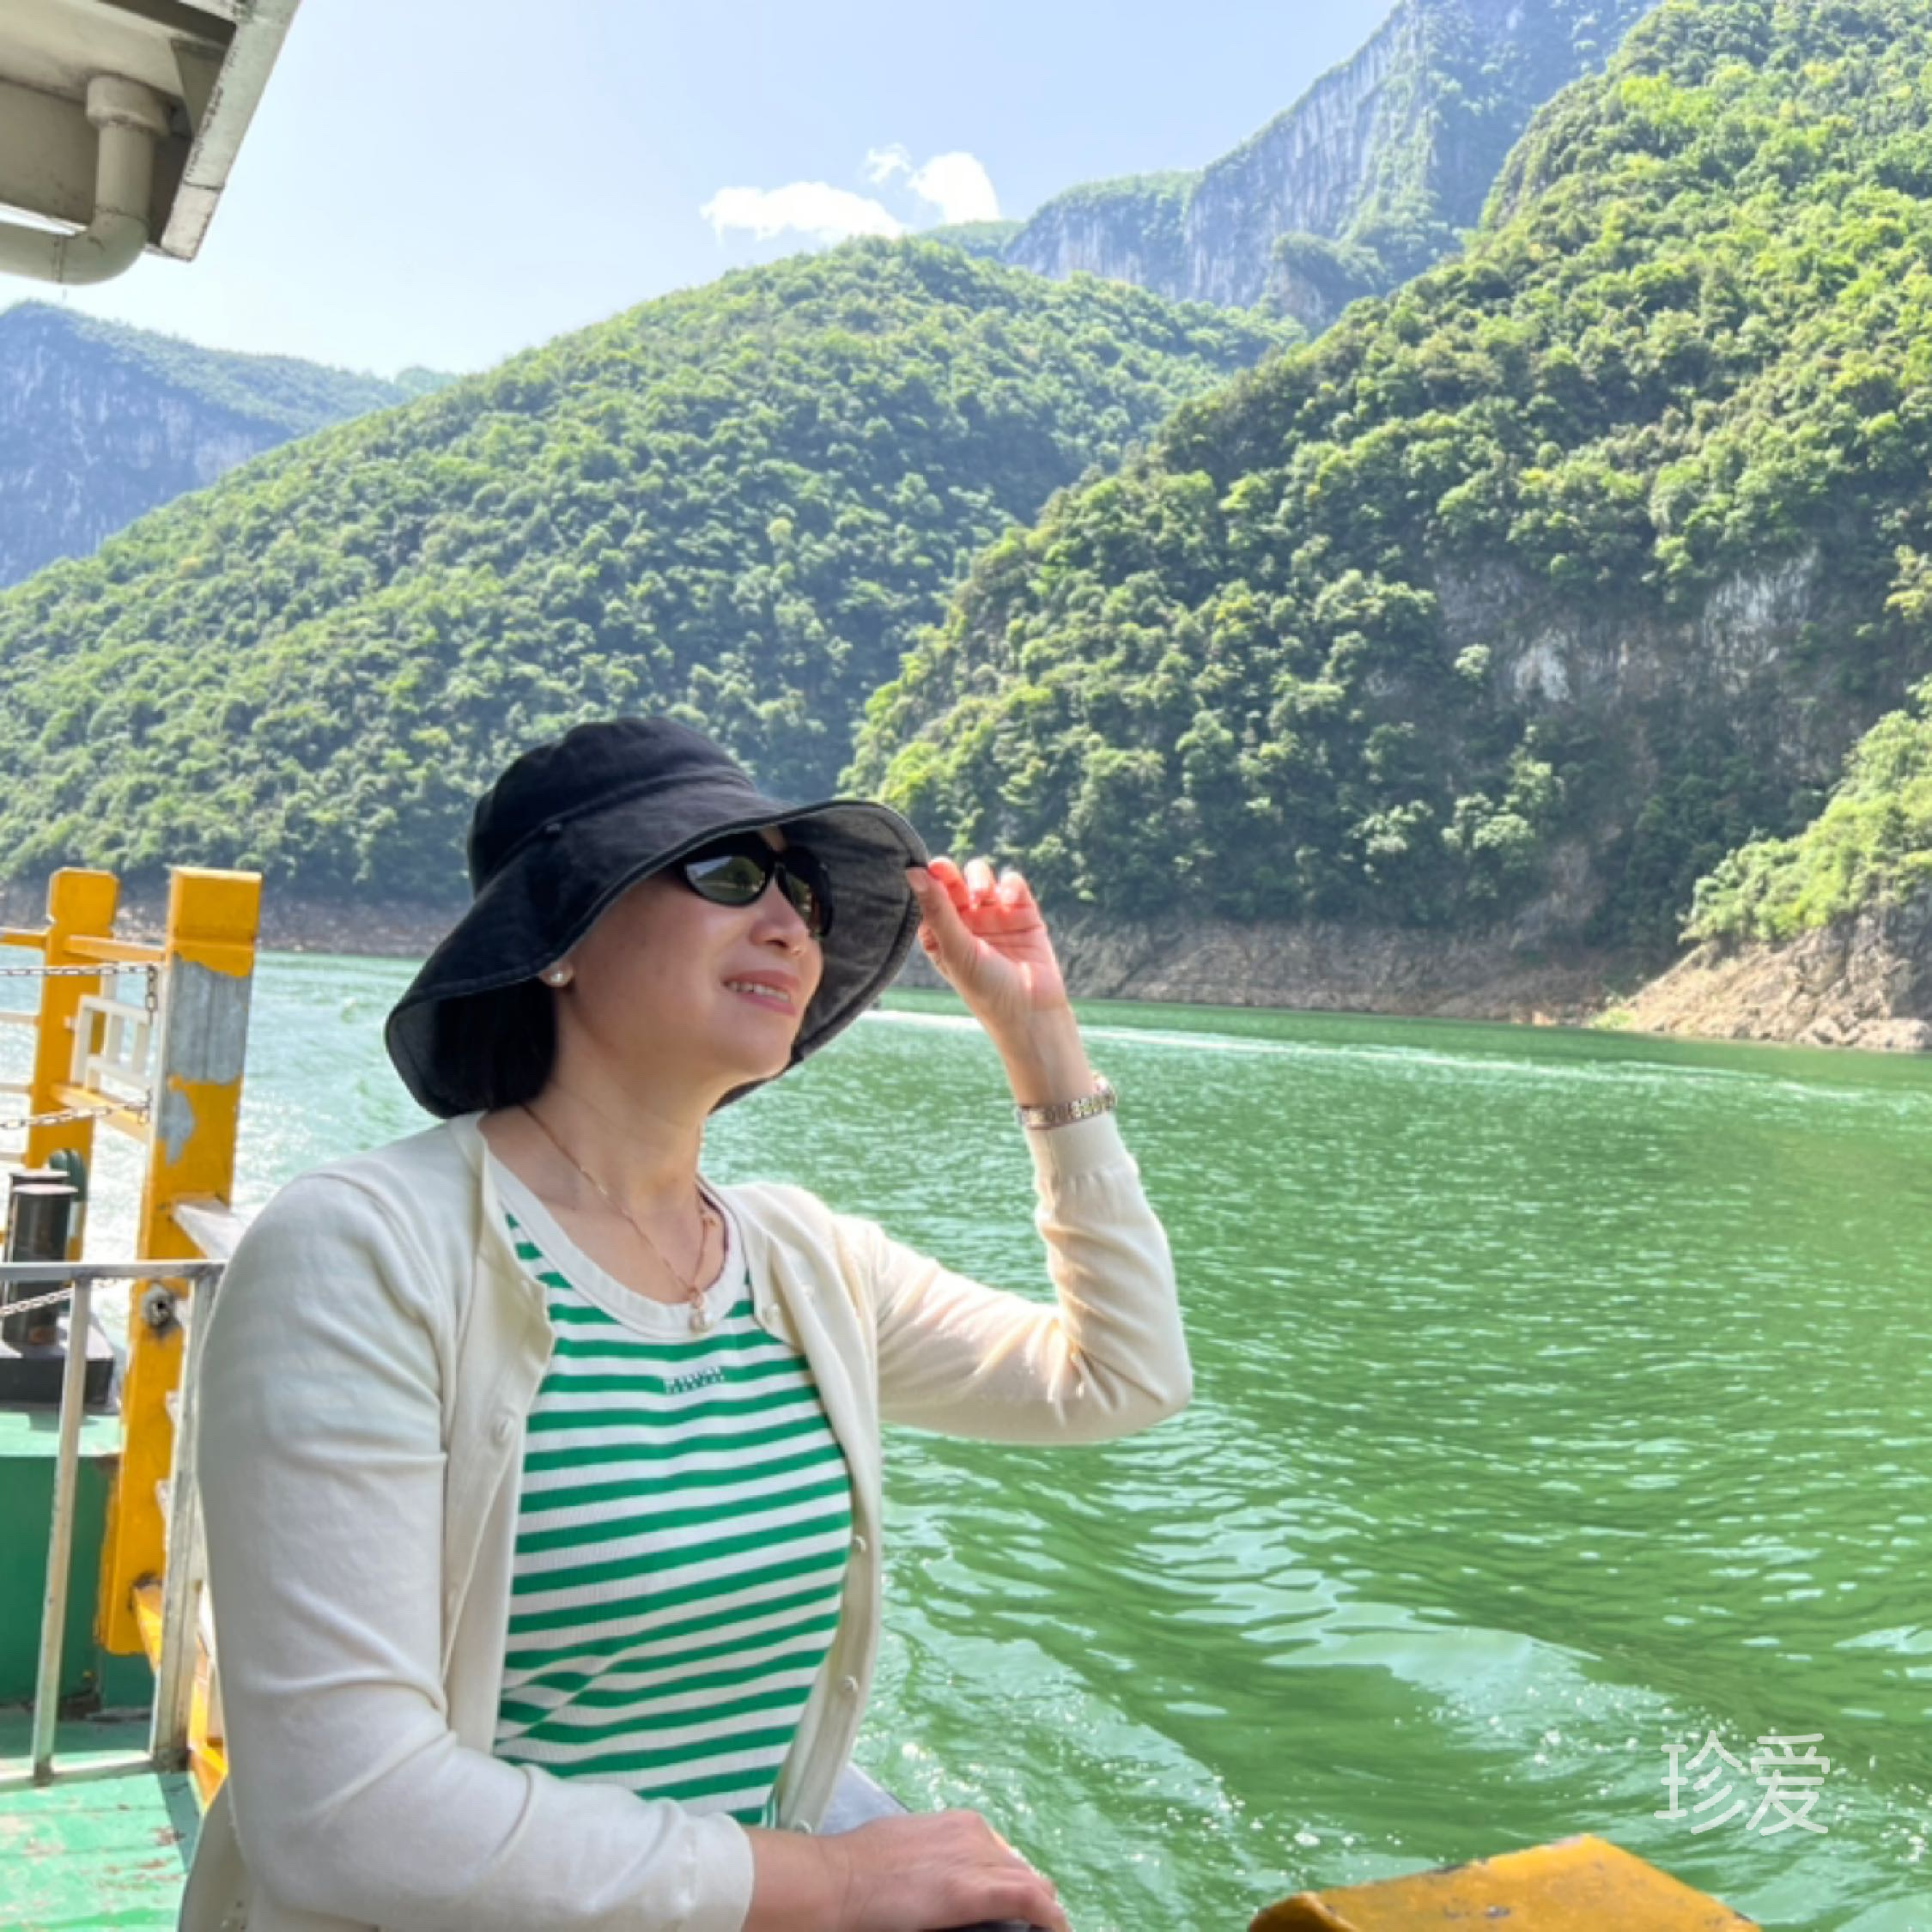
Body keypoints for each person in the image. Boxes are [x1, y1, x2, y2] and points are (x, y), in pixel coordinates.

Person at [182, 716, 1191, 1932]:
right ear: (560, 936)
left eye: (803, 894)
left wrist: (1039, 1035)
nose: (789, 925)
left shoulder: (803, 1262)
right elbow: (347, 1817)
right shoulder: (365, 1251)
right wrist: (840, 1882)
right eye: (726, 872)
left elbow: (1120, 1375)